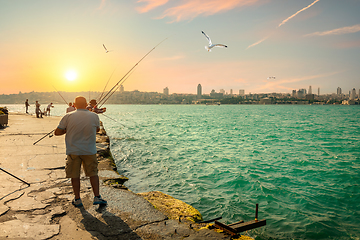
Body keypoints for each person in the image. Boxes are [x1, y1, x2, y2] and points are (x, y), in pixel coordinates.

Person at [54, 96, 107, 207]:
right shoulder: (94, 116)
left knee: (75, 175)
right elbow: (97, 129)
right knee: (93, 174)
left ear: (74, 104)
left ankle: (77, 199)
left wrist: (68, 130)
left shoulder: (67, 117)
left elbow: (57, 132)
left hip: (73, 150)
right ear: (86, 103)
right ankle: (97, 196)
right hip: (89, 150)